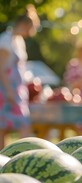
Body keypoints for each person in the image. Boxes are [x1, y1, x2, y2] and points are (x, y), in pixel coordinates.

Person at [0, 5, 40, 149]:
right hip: (6, 89)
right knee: (4, 126)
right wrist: (9, 90)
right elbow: (2, 69)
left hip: (17, 88)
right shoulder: (5, 40)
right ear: (24, 25)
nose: (29, 33)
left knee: (21, 123)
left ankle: (25, 151)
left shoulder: (19, 41)